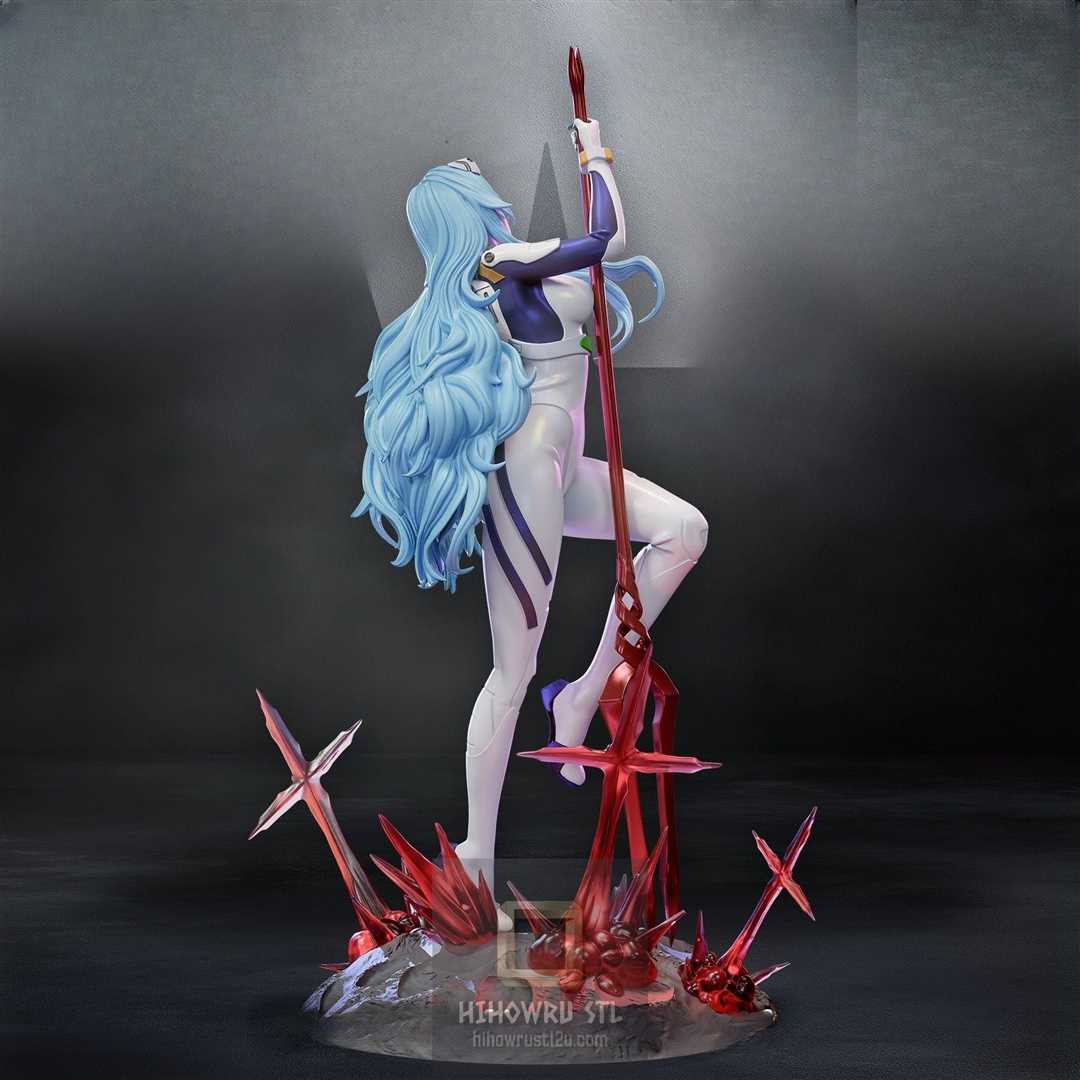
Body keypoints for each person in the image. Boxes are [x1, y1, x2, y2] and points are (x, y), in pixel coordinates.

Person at [355, 118, 707, 886]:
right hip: (526, 471)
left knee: (684, 532)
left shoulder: (514, 264)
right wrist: (595, 150)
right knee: (511, 674)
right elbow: (607, 240)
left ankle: (581, 697)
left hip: (561, 461)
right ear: (461, 210)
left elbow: (595, 262)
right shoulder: (499, 261)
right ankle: (477, 852)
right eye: (461, 170)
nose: (469, 160)